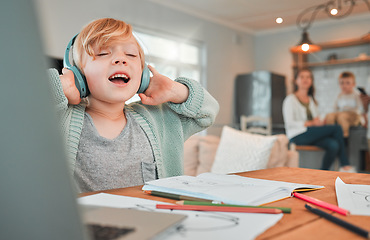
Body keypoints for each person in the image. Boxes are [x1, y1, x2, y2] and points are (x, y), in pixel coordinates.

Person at [48, 18, 219, 192]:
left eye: (130, 55)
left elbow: (207, 111)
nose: (121, 60)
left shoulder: (159, 118)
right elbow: (22, 106)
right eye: (103, 53)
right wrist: (61, 85)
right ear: (78, 73)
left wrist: (174, 89)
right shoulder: (60, 119)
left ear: (143, 75)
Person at [282, 68, 355, 172]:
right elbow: (289, 123)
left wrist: (320, 121)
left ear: (311, 81)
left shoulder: (311, 100)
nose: (305, 79)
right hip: (297, 135)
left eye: (308, 77)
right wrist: (310, 123)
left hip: (310, 134)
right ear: (296, 81)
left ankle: (322, 173)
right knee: (337, 128)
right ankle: (345, 164)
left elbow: (316, 118)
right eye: (302, 77)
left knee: (334, 145)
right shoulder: (290, 100)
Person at [325, 71, 363, 137]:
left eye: (347, 83)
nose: (344, 85)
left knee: (342, 117)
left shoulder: (356, 95)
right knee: (329, 116)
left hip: (353, 115)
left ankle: (344, 135)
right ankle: (330, 133)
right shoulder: (339, 95)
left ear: (353, 84)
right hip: (341, 113)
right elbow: (334, 108)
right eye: (342, 83)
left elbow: (360, 108)